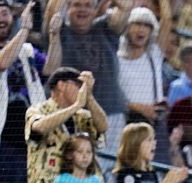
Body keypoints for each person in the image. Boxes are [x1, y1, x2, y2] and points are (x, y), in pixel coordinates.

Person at [0, 0, 62, 183]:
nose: (0, 19)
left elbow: (51, 69)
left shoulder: (26, 49)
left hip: (31, 138)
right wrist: (24, 31)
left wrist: (54, 36)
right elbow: (0, 64)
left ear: (13, 18)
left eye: (5, 13)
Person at [25, 67, 108, 183]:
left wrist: (89, 96)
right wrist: (75, 106)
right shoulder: (38, 109)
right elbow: (39, 127)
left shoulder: (82, 116)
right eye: (78, 85)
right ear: (61, 85)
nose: (81, 89)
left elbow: (103, 126)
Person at [47, 0, 132, 155]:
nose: (82, 9)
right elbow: (52, 10)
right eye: (77, 4)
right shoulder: (59, 31)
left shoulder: (106, 28)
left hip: (110, 114)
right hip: (72, 116)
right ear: (68, 7)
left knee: (107, 167)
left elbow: (126, 7)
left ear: (95, 10)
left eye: (88, 5)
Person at [117, 5, 172, 163]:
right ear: (127, 27)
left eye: (146, 25)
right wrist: (139, 107)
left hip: (155, 123)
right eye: (136, 24)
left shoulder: (154, 53)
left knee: (159, 169)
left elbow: (167, 19)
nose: (141, 30)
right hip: (128, 124)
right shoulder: (117, 58)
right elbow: (111, 95)